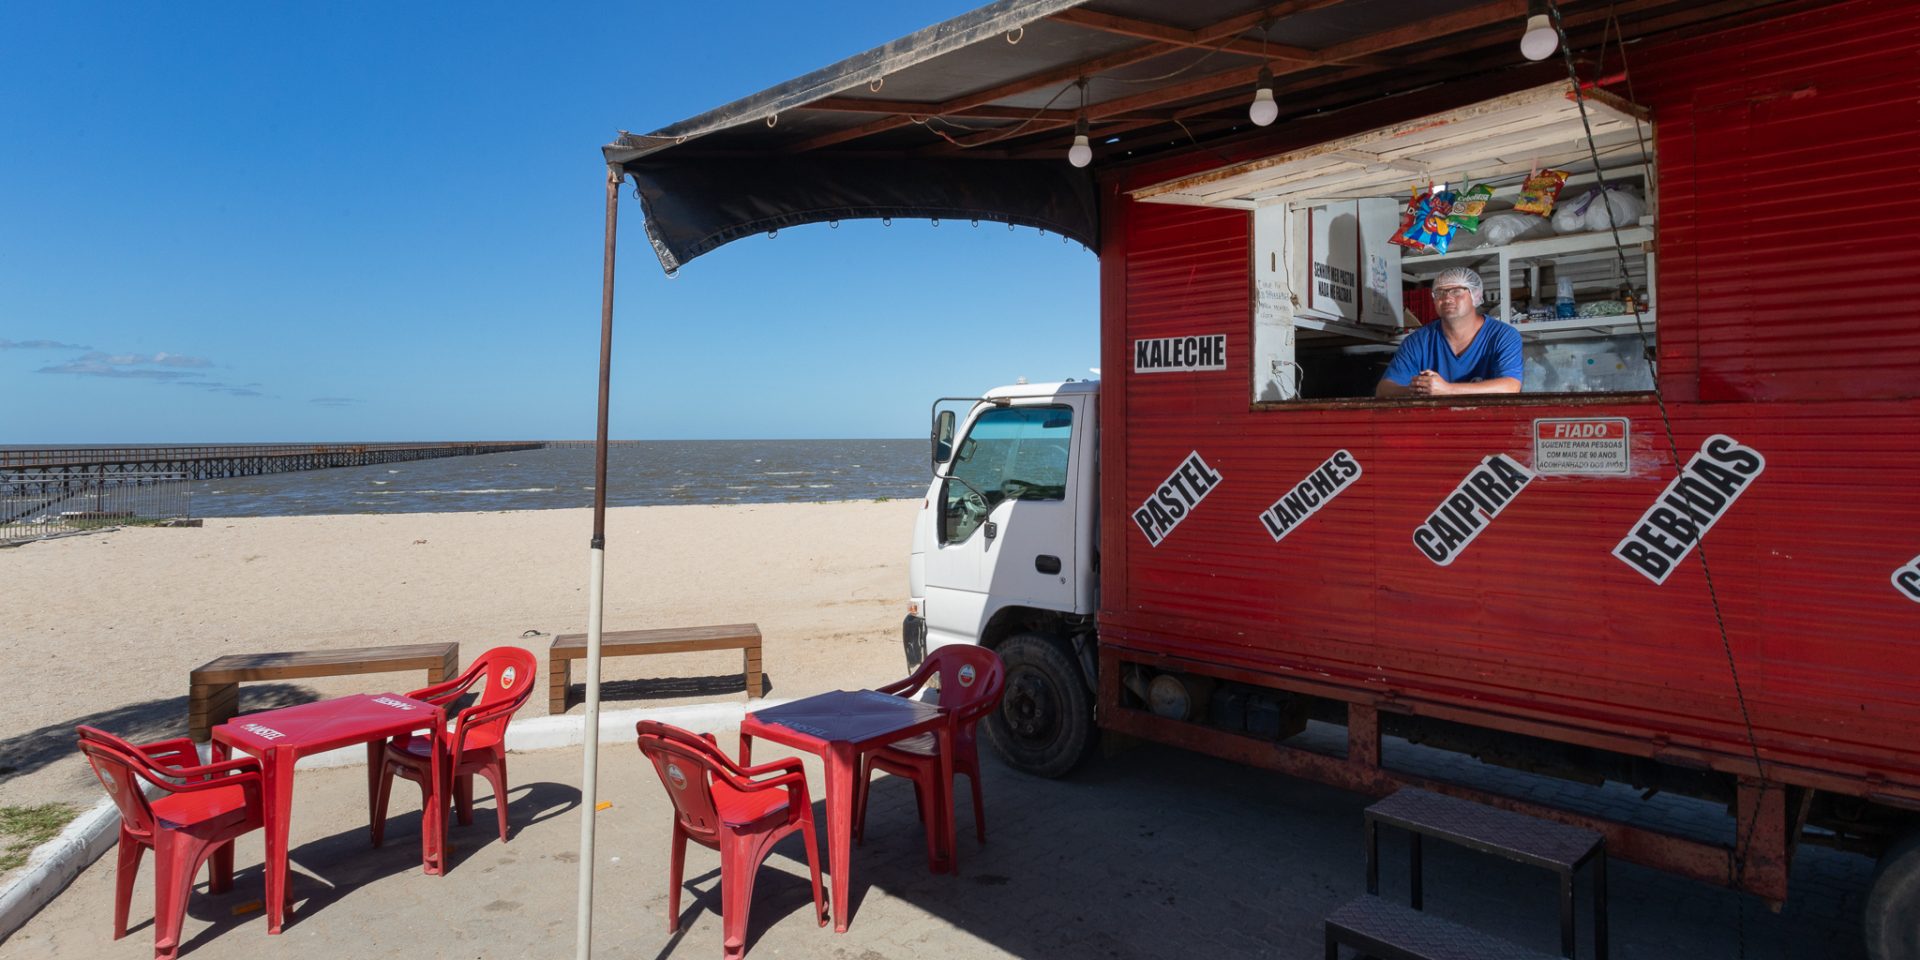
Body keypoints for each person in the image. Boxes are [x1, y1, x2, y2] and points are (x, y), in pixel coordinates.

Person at [1375, 267, 1523, 397]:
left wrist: (1447, 389)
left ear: (1476, 296)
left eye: (1456, 291)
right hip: (1435, 424)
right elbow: (1384, 390)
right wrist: (1418, 389)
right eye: (1439, 293)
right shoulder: (1418, 341)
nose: (1447, 298)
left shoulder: (1503, 336)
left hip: (1489, 424)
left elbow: (1510, 387)